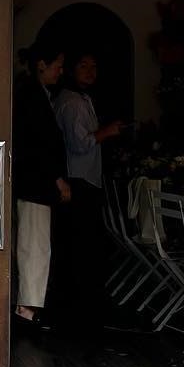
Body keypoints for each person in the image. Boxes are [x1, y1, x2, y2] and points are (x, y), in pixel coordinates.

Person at [53, 52, 122, 348]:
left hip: (86, 180)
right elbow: (79, 144)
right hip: (78, 181)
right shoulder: (71, 102)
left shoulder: (82, 99)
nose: (91, 71)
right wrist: (107, 133)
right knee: (80, 246)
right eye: (84, 65)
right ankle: (77, 311)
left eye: (94, 65)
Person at [12, 40, 68, 326]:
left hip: (33, 182)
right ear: (41, 65)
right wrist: (57, 179)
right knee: (34, 244)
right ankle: (27, 308)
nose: (61, 71)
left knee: (33, 243)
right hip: (35, 183)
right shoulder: (33, 96)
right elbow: (40, 145)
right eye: (57, 66)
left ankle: (29, 305)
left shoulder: (35, 93)